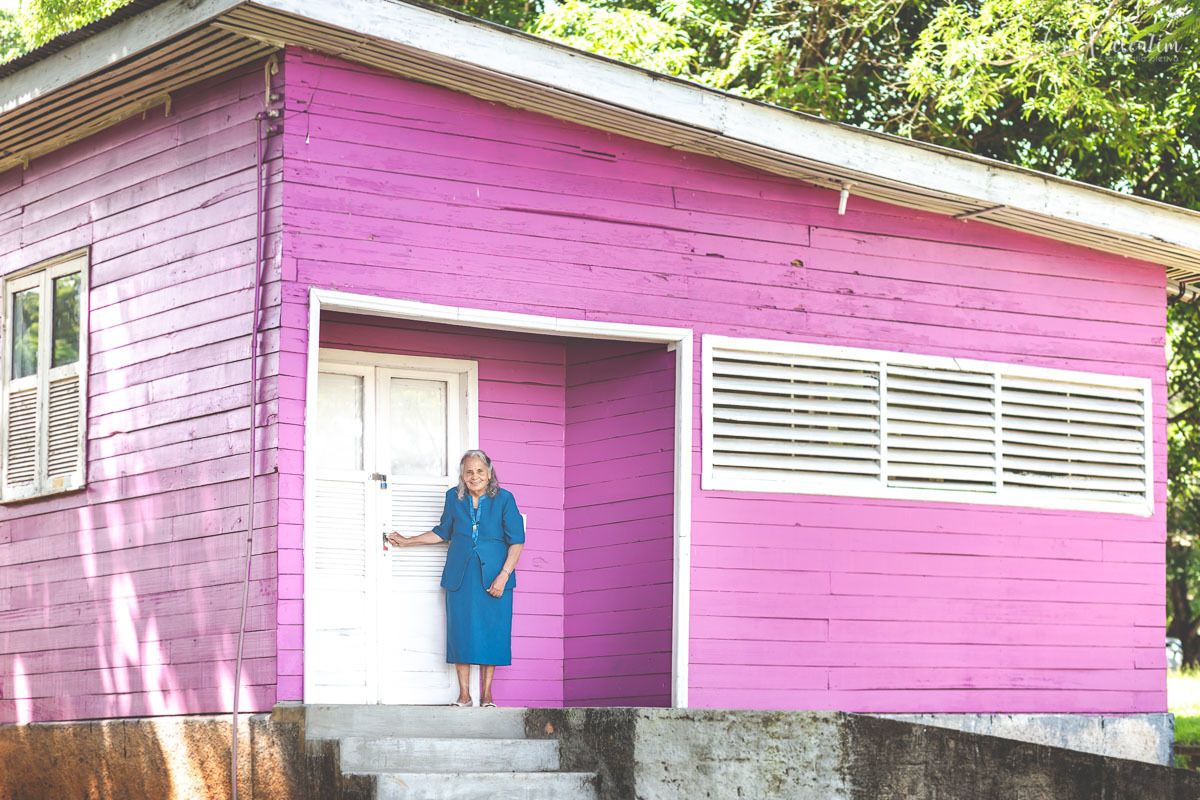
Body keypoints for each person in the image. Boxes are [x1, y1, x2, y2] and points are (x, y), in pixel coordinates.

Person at [386, 449, 525, 707]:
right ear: (462, 475)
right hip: (460, 575)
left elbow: (517, 541)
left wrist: (504, 576)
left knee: (492, 633)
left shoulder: (505, 499)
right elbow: (442, 532)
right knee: (461, 632)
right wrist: (407, 541)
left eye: (480, 471)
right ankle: (464, 694)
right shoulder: (454, 497)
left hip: (495, 577)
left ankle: (487, 695)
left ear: (489, 473)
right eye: (469, 471)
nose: (475, 477)